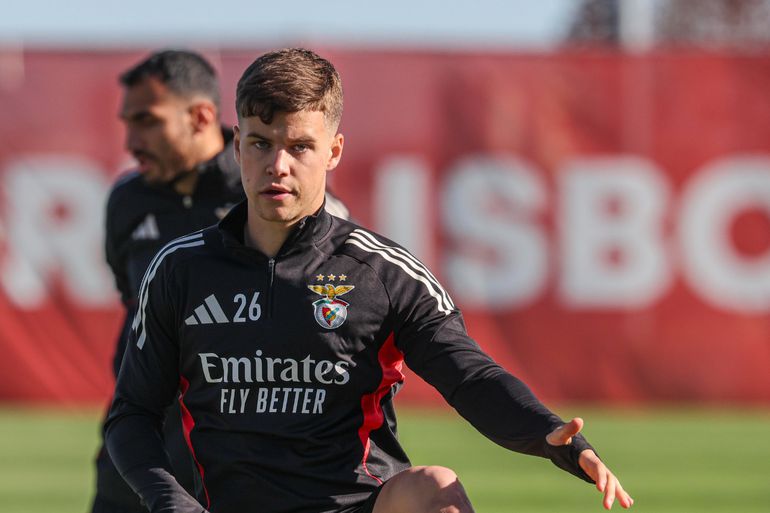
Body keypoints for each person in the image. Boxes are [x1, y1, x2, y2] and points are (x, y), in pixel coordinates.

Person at [105, 48, 633, 513]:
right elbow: (132, 414)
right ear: (238, 144)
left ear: (333, 151)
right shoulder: (179, 269)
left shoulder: (382, 273)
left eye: (300, 146)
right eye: (261, 143)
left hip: (355, 506)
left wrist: (549, 434)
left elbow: (470, 377)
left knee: (433, 487)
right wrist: (170, 501)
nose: (278, 165)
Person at [94, 49, 349, 513]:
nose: (131, 141)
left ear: (201, 117)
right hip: (138, 440)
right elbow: (133, 302)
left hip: (232, 451)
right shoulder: (127, 200)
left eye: (147, 121)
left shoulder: (275, 195)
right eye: (127, 122)